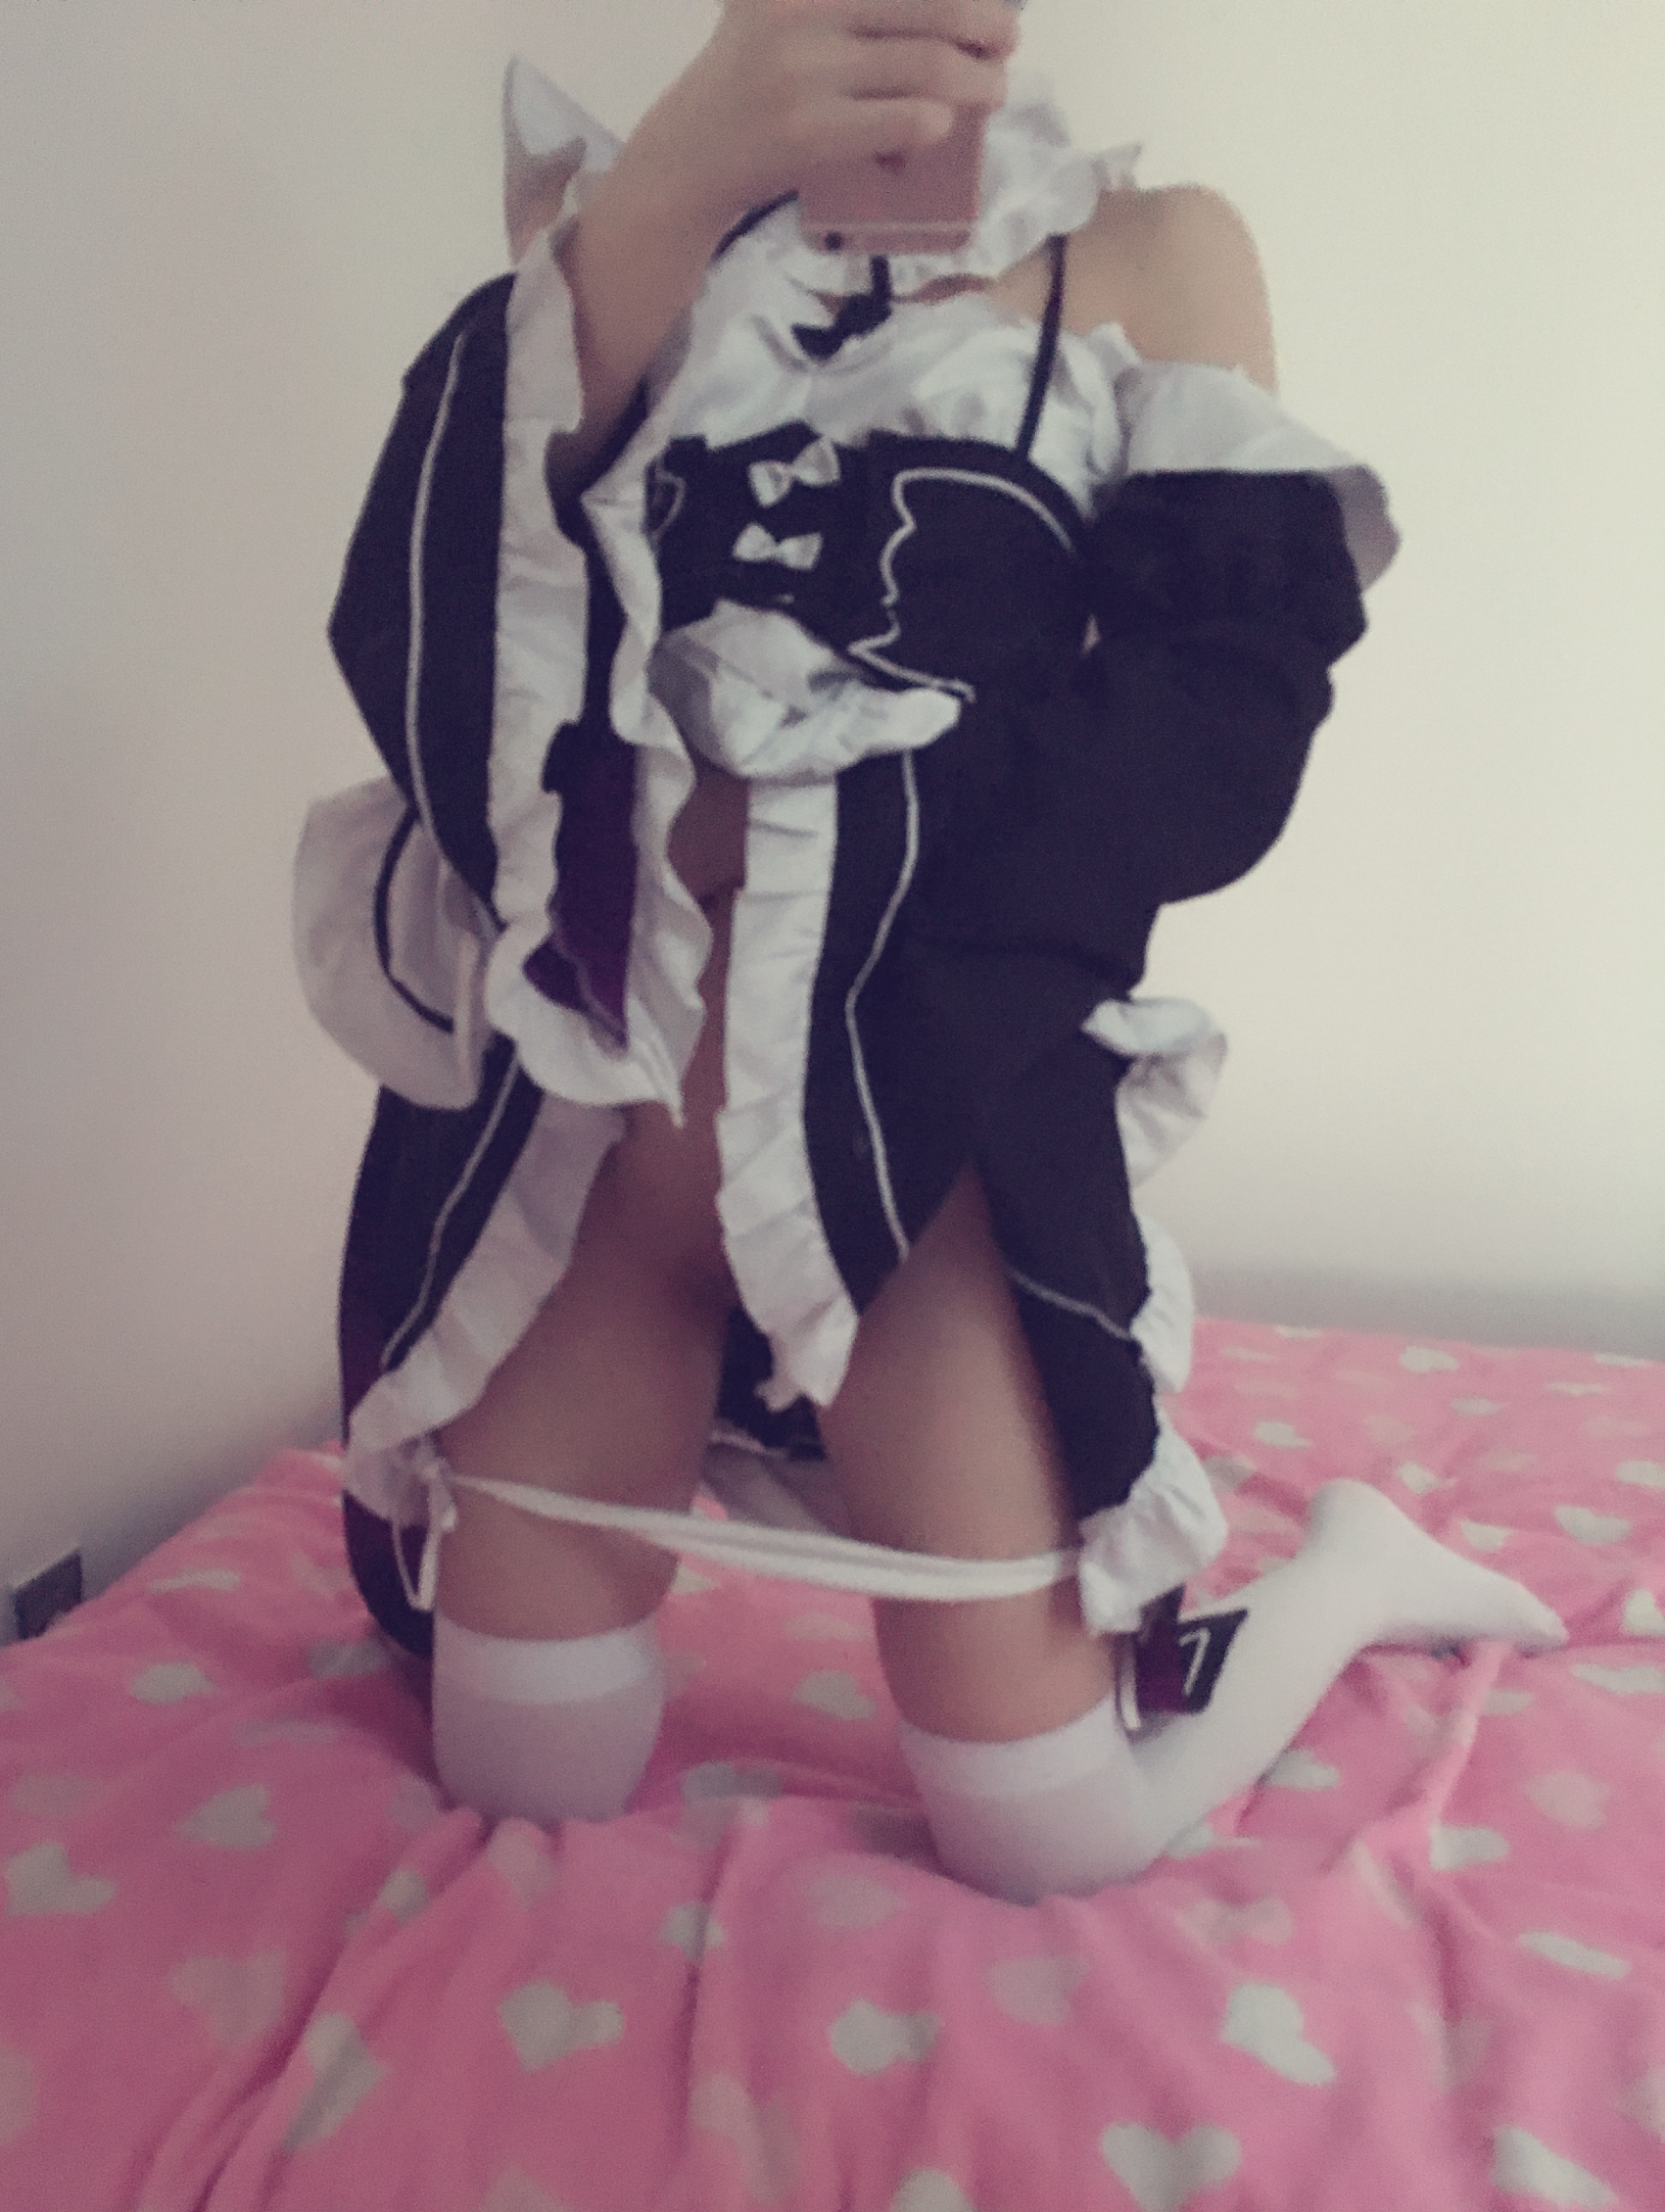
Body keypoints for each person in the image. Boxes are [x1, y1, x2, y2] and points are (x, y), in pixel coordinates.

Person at [296, 0, 1562, 1899]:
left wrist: (833, 836)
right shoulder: (614, 214)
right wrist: (676, 178)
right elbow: (436, 640)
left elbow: (1219, 726)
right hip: (600, 1162)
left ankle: (1351, 1571)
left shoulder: (1152, 256)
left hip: (915, 1146)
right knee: (524, 1768)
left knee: (1047, 1828)